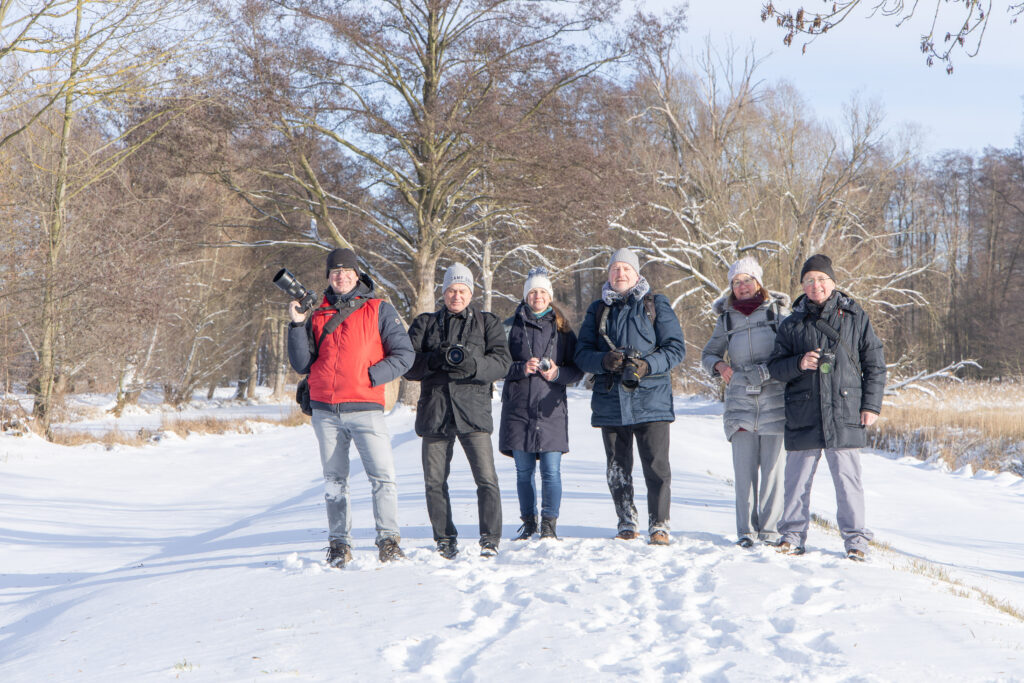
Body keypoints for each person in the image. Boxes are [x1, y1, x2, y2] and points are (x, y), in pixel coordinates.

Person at [286, 247, 414, 569]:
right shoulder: (317, 313)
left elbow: (404, 355)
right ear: (328, 276)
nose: (340, 276)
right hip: (326, 412)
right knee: (334, 480)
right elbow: (302, 363)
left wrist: (370, 376)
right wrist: (297, 325)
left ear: (358, 274)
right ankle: (339, 543)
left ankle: (388, 540)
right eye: (334, 271)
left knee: (382, 476)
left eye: (346, 271)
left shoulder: (379, 309)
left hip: (365, 408)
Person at [767, 254, 886, 561]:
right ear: (802, 285)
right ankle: (792, 536)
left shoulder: (855, 316)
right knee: (796, 481)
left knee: (848, 482)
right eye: (809, 280)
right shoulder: (791, 323)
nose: (815, 285)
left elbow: (875, 364)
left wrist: (871, 404)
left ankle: (856, 540)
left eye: (821, 279)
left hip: (844, 411)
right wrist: (798, 363)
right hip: (803, 412)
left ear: (833, 283)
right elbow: (775, 368)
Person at [574, 248, 686, 545]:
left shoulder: (655, 304)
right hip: (611, 399)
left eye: (626, 269)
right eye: (615, 269)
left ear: (637, 274)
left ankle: (659, 524)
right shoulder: (597, 309)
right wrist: (603, 362)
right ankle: (626, 520)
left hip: (652, 399)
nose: (620, 274)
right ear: (608, 275)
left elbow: (676, 348)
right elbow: (581, 354)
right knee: (617, 466)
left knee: (657, 467)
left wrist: (648, 365)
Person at [405, 263, 512, 559]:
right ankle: (444, 538)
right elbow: (407, 365)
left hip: (473, 412)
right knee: (434, 481)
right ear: (443, 292)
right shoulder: (425, 323)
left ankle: (490, 538)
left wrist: (474, 365)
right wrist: (435, 359)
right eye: (451, 290)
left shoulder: (487, 322)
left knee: (486, 478)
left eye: (462, 290)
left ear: (471, 293)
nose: (456, 295)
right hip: (435, 412)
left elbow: (503, 363)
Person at [701, 257, 791, 548]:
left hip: (775, 400)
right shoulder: (726, 318)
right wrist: (720, 367)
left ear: (759, 283)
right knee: (744, 474)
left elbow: (792, 351)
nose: (741, 286)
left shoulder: (778, 313)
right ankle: (746, 532)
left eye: (747, 280)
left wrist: (770, 370)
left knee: (773, 474)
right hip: (740, 403)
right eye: (736, 282)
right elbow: (708, 354)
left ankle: (770, 531)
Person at [498, 268, 583, 541]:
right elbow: (497, 366)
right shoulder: (509, 327)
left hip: (551, 410)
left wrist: (557, 373)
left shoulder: (564, 329)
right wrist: (521, 368)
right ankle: (529, 522)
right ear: (525, 295)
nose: (538, 296)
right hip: (518, 409)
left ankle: (549, 525)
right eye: (533, 291)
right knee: (523, 473)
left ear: (550, 296)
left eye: (543, 292)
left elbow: (577, 370)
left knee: (551, 472)